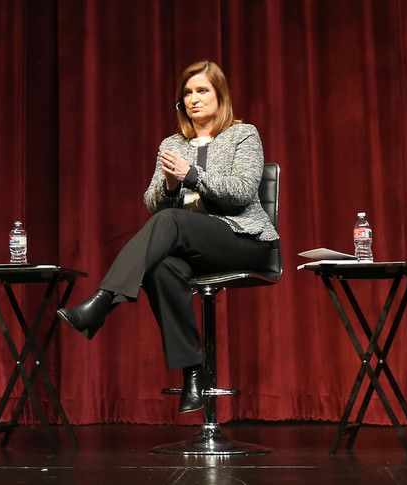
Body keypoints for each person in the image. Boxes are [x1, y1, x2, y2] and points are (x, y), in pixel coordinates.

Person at [57, 61, 278, 414]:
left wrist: (192, 176)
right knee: (160, 268)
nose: (194, 99)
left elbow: (241, 192)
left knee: (171, 221)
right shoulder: (172, 143)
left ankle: (102, 302)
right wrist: (170, 186)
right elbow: (152, 203)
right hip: (193, 246)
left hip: (243, 240)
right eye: (187, 93)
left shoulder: (243, 135)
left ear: (220, 96)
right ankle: (194, 374)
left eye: (202, 90)